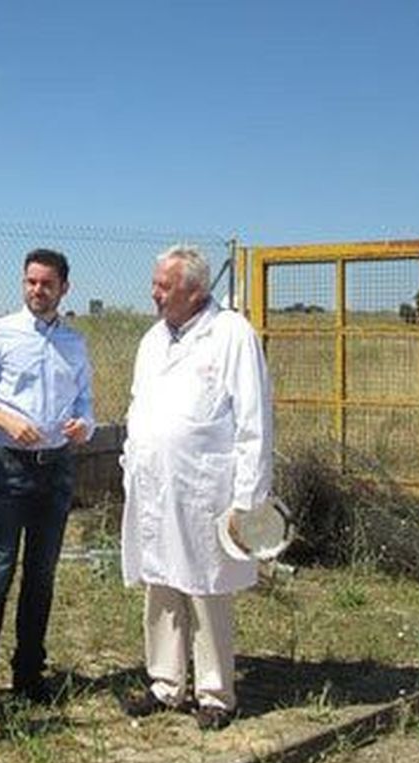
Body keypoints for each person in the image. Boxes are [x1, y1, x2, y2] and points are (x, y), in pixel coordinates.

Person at [119, 244, 273, 731]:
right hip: (154, 484)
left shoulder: (232, 335)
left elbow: (254, 421)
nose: (154, 293)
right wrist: (130, 464)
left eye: (164, 286)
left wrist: (249, 500)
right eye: (155, 283)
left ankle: (215, 693)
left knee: (208, 586)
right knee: (161, 582)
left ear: (195, 290)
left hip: (205, 486)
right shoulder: (151, 340)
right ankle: (165, 684)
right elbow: (137, 407)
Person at [0, 249, 95, 721]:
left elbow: (86, 405)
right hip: (8, 466)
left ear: (63, 289)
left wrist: (84, 427)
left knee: (42, 574)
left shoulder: (74, 343)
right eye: (30, 282)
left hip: (55, 469)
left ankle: (29, 676)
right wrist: (7, 422)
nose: (37, 291)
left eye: (46, 284)